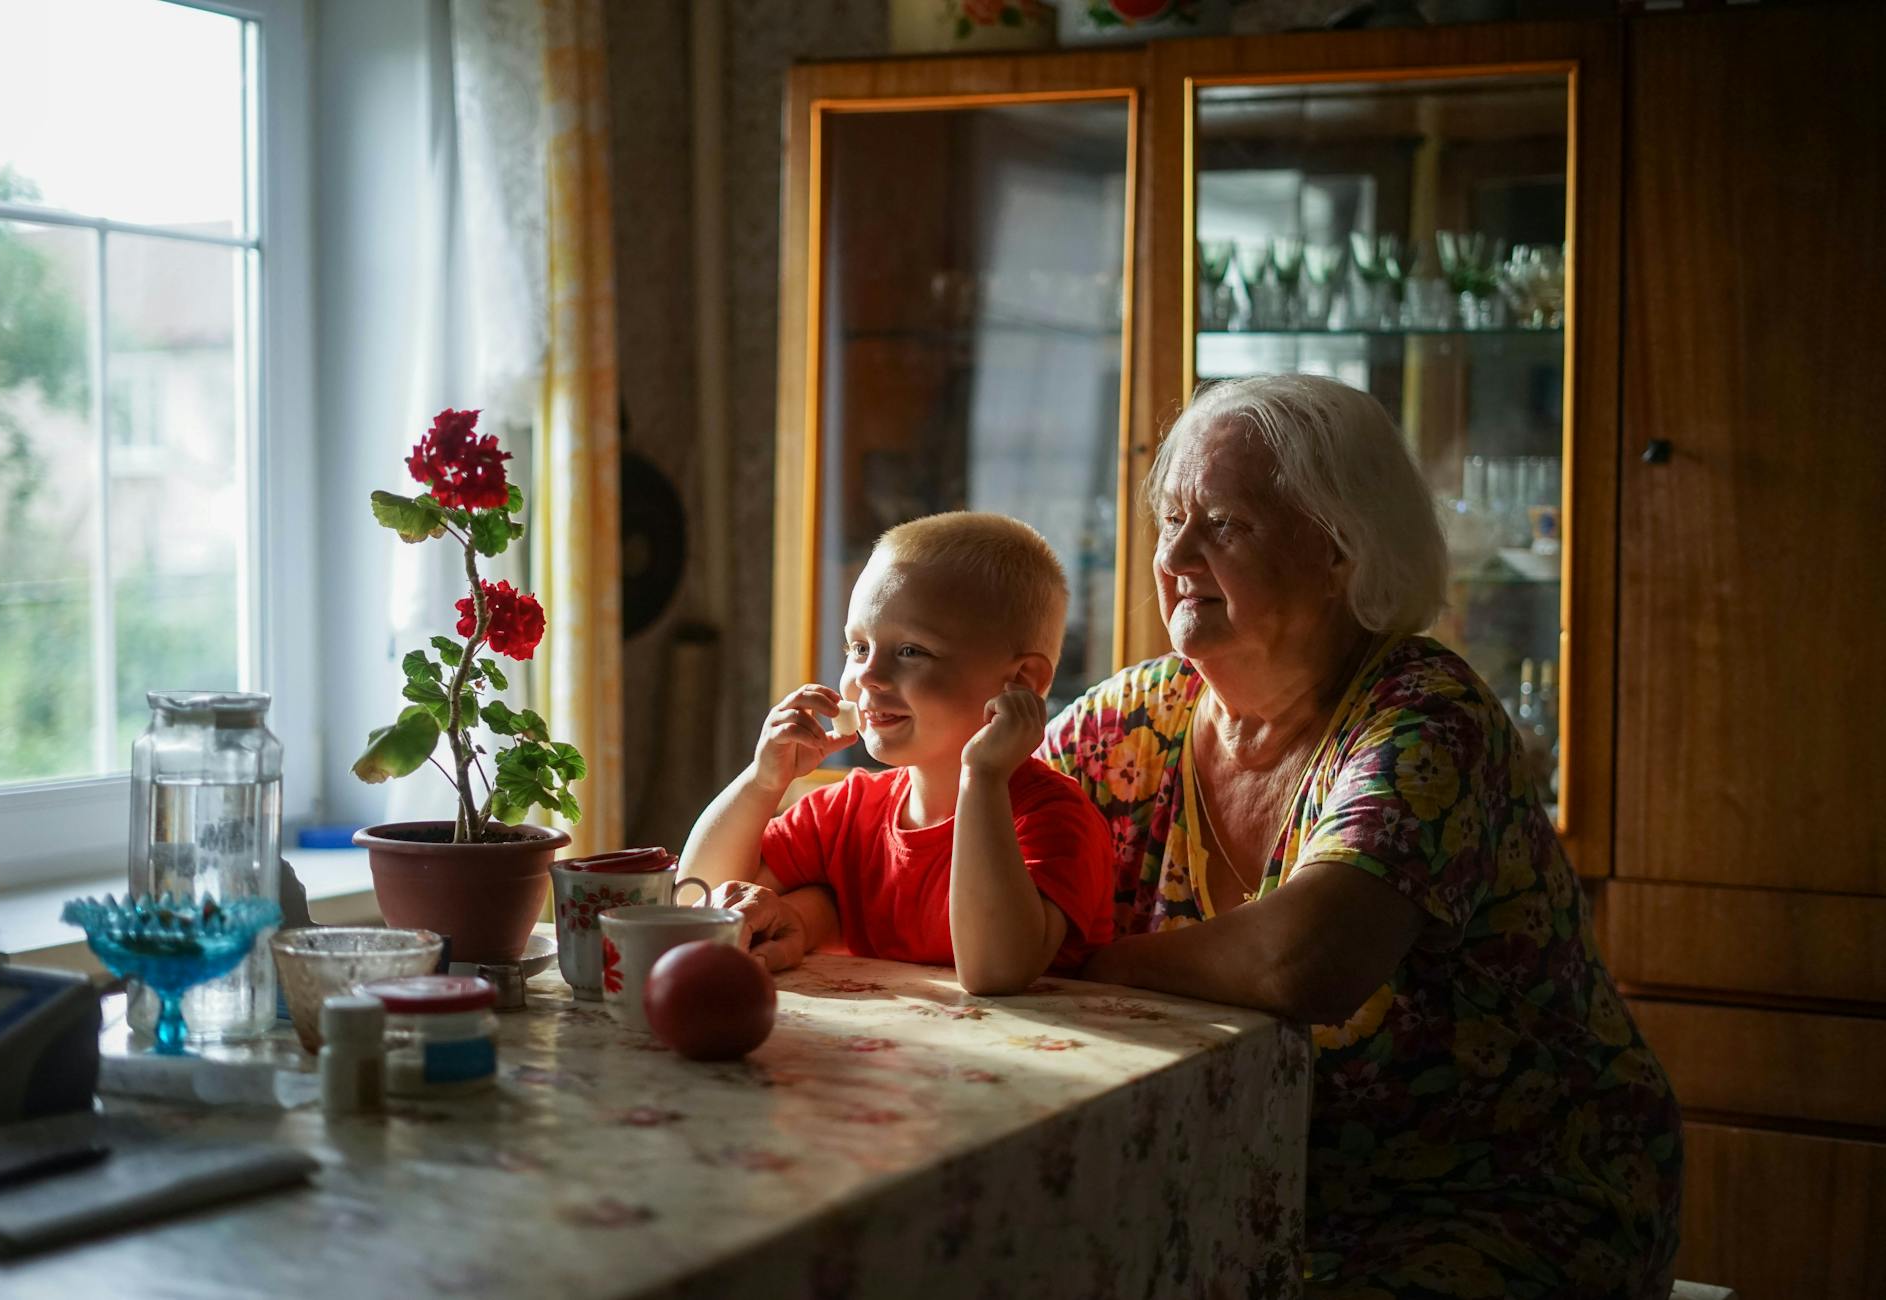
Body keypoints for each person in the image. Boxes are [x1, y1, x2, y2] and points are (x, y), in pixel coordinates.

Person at [1039, 375, 1682, 1298]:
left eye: (1223, 524)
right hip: (1253, 1187)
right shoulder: (1129, 723)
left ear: (1340, 549)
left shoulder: (1426, 714)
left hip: (1496, 1196)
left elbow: (1310, 959)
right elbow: (962, 856)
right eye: (1169, 519)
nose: (1175, 554)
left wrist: (1088, 959)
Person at [683, 511, 1114, 995]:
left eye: (911, 651)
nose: (867, 676)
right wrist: (762, 782)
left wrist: (984, 775)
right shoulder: (847, 813)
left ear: (1022, 682)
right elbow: (700, 905)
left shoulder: (1054, 819)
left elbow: (995, 972)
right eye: (858, 647)